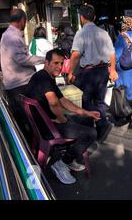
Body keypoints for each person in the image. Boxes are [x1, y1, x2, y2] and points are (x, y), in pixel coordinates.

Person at [24, 48, 100, 185]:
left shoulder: (45, 77)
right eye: (55, 63)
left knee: (87, 120)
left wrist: (86, 113)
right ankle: (62, 163)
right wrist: (62, 119)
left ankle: (71, 157)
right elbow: (54, 103)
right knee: (91, 133)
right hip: (48, 127)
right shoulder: (43, 79)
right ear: (46, 63)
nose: (59, 67)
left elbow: (63, 101)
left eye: (61, 63)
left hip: (47, 122)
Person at [68, 4, 118, 143]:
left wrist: (70, 72)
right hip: (102, 71)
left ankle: (99, 124)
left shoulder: (81, 33)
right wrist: (112, 69)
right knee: (99, 100)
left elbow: (76, 54)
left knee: (85, 100)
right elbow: (112, 53)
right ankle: (99, 127)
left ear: (82, 18)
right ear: (94, 17)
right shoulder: (103, 32)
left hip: (89, 72)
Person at [0, 8, 45, 139]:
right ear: (22, 20)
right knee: (29, 122)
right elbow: (22, 59)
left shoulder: (9, 35)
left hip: (16, 85)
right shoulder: (12, 37)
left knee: (26, 122)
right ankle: (34, 151)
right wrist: (44, 58)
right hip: (19, 86)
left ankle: (33, 147)